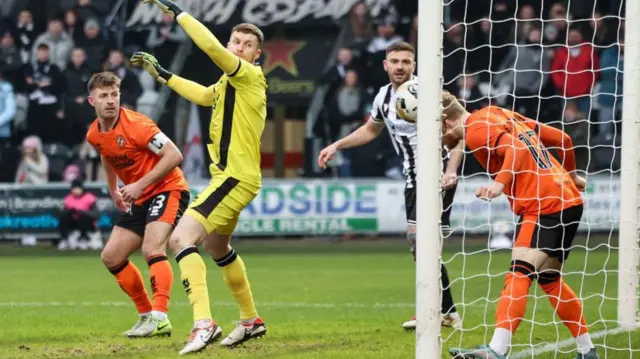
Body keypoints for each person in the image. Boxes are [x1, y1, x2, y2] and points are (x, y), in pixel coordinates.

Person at [131, 0, 267, 354]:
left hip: (234, 177)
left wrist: (178, 13)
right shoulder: (228, 83)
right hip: (233, 176)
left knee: (180, 239)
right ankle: (251, 320)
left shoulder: (248, 76)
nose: (237, 48)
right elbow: (205, 96)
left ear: (257, 54)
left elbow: (209, 46)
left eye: (245, 45)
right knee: (217, 247)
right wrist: (162, 74)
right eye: (235, 41)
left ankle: (203, 322)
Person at [317, 41, 463, 331]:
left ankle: (434, 311)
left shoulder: (433, 93)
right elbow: (371, 130)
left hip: (435, 175)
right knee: (420, 244)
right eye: (394, 61)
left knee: (421, 241)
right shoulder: (383, 97)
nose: (399, 66)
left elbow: (461, 131)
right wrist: (337, 145)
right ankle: (446, 311)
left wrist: (450, 170)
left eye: (405, 61)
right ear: (385, 65)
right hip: (412, 178)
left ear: (414, 65)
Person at [441, 92, 598, 359]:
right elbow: (563, 139)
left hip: (543, 204)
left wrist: (499, 183)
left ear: (445, 121)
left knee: (519, 273)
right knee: (549, 280)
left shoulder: (476, 130)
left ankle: (497, 350)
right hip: (568, 198)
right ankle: (587, 351)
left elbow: (517, 148)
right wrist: (571, 175)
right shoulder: (498, 113)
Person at [85, 71, 189, 339]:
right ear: (91, 101)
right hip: (139, 197)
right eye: (104, 96)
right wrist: (113, 189)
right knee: (111, 257)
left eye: (114, 95)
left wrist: (139, 184)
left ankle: (160, 316)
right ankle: (145, 315)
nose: (110, 101)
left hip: (168, 188)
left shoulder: (138, 125)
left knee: (152, 248)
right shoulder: (94, 134)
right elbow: (106, 155)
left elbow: (174, 155)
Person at [58, 178, 102, 250]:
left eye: (78, 188)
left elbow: (96, 214)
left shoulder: (90, 198)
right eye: (74, 188)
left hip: (87, 223)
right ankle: (65, 239)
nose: (76, 190)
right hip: (73, 223)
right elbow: (62, 212)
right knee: (64, 217)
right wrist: (70, 211)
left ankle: (84, 239)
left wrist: (83, 212)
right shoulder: (68, 198)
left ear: (82, 188)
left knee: (82, 217)